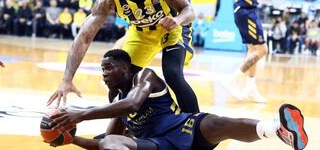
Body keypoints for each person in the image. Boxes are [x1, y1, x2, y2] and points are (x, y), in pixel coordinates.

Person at [49, 49, 308, 150]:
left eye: (107, 68)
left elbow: (133, 104)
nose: (103, 73)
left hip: (184, 128)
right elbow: (109, 139)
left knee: (218, 124)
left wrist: (80, 114)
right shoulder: (114, 96)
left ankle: (278, 129)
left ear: (126, 68)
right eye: (101, 69)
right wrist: (74, 139)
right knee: (113, 142)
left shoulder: (145, 77)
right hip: (157, 145)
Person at [47, 0, 199, 113]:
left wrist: (176, 20)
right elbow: (84, 37)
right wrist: (67, 79)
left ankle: (196, 126)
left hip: (172, 28)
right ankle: (127, 127)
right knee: (117, 79)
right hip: (141, 34)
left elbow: (188, 10)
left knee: (172, 74)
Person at [223, 0, 271, 103]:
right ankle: (232, 79)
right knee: (262, 50)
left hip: (246, 10)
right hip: (246, 12)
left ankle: (250, 89)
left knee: (253, 50)